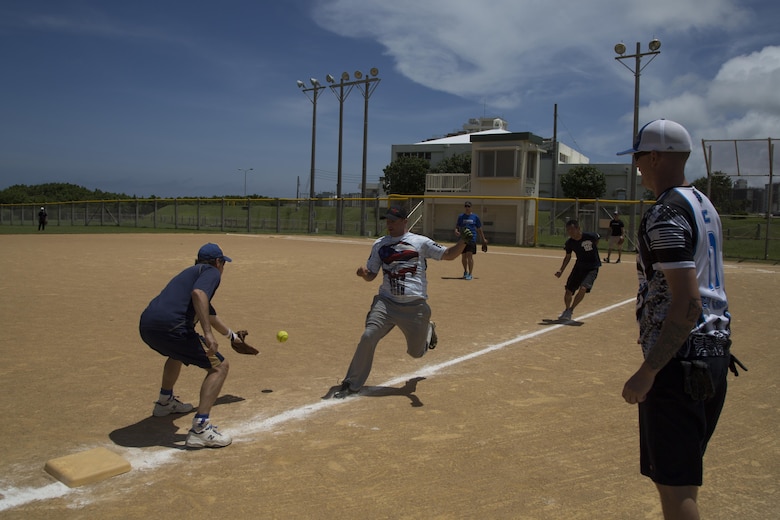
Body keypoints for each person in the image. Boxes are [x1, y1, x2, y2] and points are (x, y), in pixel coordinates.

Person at [619, 119, 741, 519]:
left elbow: (688, 303)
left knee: (677, 489)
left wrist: (649, 370)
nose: (636, 165)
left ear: (655, 156)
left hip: (680, 363)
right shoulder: (703, 204)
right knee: (681, 479)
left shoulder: (665, 212)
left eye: (639, 156)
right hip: (714, 354)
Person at [333, 205, 473, 398]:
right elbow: (372, 275)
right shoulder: (380, 245)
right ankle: (351, 383)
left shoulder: (419, 242)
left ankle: (428, 330)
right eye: (387, 221)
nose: (389, 224)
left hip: (414, 307)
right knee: (368, 335)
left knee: (416, 354)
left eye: (393, 221)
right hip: (386, 303)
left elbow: (448, 255)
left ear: (404, 221)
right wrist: (364, 274)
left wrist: (463, 242)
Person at [139, 243, 246, 449]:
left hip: (148, 325)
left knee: (176, 353)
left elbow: (210, 314)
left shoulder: (190, 273)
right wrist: (207, 333)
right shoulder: (211, 273)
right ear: (218, 262)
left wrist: (232, 337)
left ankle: (164, 402)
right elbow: (199, 295)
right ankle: (201, 428)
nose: (223, 268)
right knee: (219, 367)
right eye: (223, 263)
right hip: (172, 326)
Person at [553, 219, 601, 321]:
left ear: (578, 228)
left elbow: (597, 238)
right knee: (568, 291)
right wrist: (561, 270)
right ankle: (566, 310)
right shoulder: (570, 243)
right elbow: (568, 256)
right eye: (568, 230)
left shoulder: (590, 236)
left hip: (592, 267)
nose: (570, 232)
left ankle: (571, 309)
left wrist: (593, 249)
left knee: (583, 288)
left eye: (572, 229)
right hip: (579, 266)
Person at [454, 201, 488, 280]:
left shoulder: (475, 217)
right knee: (463, 256)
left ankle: (470, 273)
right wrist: (456, 231)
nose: (467, 208)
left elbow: (479, 229)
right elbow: (457, 226)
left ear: (471, 207)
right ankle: (465, 271)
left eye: (468, 206)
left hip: (472, 238)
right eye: (466, 206)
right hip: (462, 239)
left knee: (469, 256)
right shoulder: (461, 217)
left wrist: (483, 239)